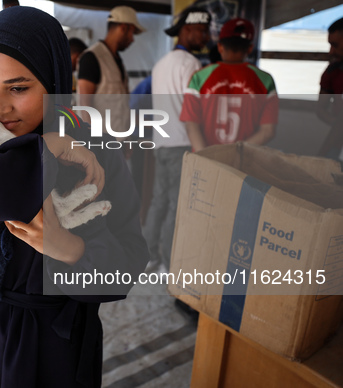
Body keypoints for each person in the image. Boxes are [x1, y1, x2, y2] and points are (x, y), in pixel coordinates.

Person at [0, 6, 148, 388]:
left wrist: (70, 249)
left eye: (18, 87)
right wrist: (46, 148)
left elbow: (125, 267)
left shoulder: (96, 153)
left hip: (55, 344)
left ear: (55, 82)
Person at [144, 6, 210, 272]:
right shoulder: (192, 65)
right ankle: (170, 264)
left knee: (159, 201)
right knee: (176, 205)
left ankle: (149, 257)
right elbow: (193, 110)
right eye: (201, 31)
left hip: (161, 143)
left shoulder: (161, 64)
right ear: (186, 31)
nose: (206, 36)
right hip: (182, 142)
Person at [180, 18, 278, 151]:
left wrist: (205, 159)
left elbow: (191, 125)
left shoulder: (199, 77)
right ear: (250, 48)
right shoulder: (265, 81)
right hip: (245, 163)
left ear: (220, 46)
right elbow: (268, 131)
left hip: (206, 162)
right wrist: (236, 154)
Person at [76, 6, 145, 137]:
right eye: (132, 33)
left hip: (119, 144)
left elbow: (121, 105)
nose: (132, 39)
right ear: (124, 28)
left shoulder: (118, 62)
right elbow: (84, 104)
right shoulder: (92, 57)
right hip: (101, 146)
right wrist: (92, 143)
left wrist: (127, 137)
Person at [317, 17, 343, 159]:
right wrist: (338, 124)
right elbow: (321, 109)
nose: (331, 52)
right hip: (337, 144)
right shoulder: (332, 71)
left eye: (335, 45)